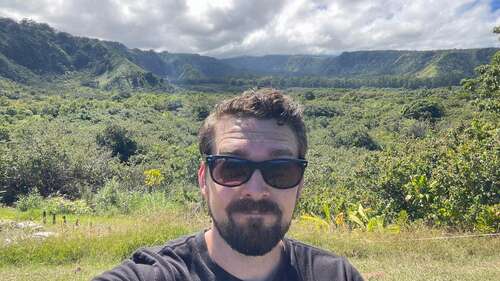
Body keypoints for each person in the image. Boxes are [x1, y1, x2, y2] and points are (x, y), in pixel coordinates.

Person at [93, 88, 364, 281]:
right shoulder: (156, 273)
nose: (256, 190)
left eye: (280, 170)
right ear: (203, 179)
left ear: (300, 182)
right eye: (233, 168)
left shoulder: (336, 275)